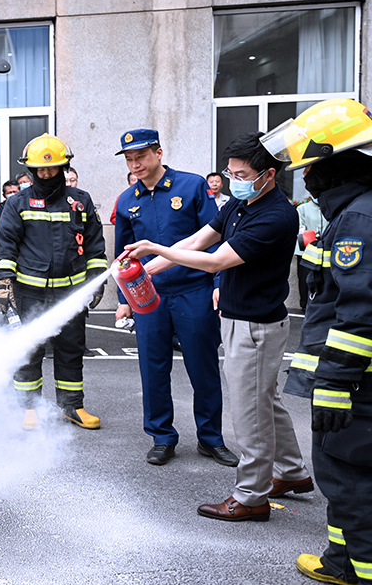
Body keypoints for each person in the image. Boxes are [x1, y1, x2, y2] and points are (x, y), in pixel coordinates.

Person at [123, 132, 309, 524]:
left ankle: (251, 496)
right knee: (266, 401)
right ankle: (292, 472)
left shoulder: (275, 215)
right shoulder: (242, 203)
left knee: (250, 412)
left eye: (241, 175)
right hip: (242, 319)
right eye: (230, 173)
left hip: (255, 325)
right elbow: (198, 240)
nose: (233, 181)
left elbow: (215, 261)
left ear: (268, 174)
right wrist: (151, 268)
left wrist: (155, 249)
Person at [262, 98, 372, 585]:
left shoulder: (358, 219)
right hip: (349, 381)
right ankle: (341, 562)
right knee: (335, 470)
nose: (305, 178)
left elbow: (359, 314)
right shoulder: (354, 209)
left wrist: (334, 386)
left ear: (336, 163)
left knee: (353, 477)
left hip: (356, 385)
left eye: (309, 168)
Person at [113, 128, 232, 466]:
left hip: (194, 290)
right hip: (148, 297)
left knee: (203, 367)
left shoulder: (191, 186)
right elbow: (123, 255)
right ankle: (162, 437)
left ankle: (211, 438)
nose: (135, 164)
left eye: (141, 156)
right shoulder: (127, 200)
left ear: (159, 153)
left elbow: (215, 238)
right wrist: (124, 299)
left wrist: (219, 282)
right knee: (152, 368)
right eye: (129, 159)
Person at [0, 133, 107, 431]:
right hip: (29, 293)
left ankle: (72, 407)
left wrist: (97, 280)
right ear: (31, 170)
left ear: (63, 167)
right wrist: (4, 283)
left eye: (51, 168)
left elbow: (95, 245)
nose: (45, 173)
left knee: (71, 350)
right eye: (40, 169)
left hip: (70, 293)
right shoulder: (18, 203)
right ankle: (28, 409)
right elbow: (6, 245)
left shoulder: (80, 201)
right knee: (28, 351)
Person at [295, 195, 328, 310]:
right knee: (305, 278)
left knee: (325, 278)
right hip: (306, 250)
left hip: (326, 250)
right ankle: (305, 304)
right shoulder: (303, 209)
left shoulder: (330, 207)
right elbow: (301, 229)